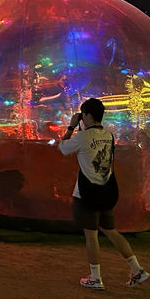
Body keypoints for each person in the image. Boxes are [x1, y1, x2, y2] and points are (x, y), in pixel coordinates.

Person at [58, 97, 148, 290]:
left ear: (87, 115)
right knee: (111, 231)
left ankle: (95, 278)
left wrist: (71, 127)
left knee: (91, 236)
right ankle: (137, 269)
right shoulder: (109, 135)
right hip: (105, 191)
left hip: (86, 194)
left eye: (83, 115)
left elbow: (62, 148)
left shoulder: (82, 137)